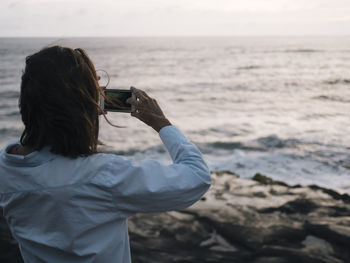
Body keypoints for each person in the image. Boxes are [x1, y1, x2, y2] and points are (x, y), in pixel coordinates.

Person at [0, 46, 211, 262]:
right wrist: (162, 124)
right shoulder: (103, 176)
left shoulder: (6, 167)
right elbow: (196, 178)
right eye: (95, 89)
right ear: (84, 104)